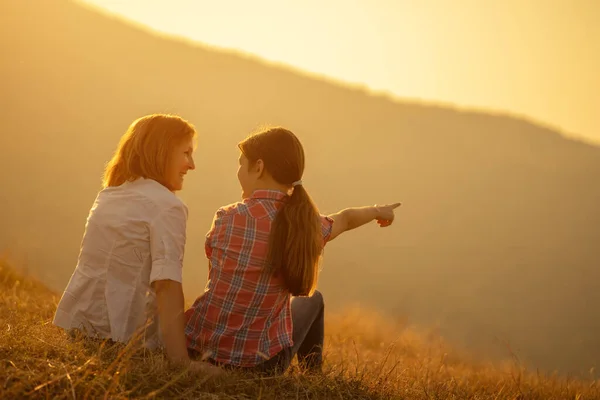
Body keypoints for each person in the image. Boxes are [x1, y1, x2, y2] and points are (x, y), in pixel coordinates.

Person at [185, 127, 400, 375]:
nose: (238, 172)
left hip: (199, 349)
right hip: (259, 367)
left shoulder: (226, 217)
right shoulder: (307, 227)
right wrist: (377, 210)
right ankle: (313, 375)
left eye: (241, 164)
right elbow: (347, 219)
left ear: (259, 167)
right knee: (313, 298)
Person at [53, 114, 202, 367]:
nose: (192, 165)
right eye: (186, 153)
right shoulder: (167, 206)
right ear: (162, 152)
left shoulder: (109, 195)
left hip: (79, 326)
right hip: (125, 338)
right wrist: (181, 361)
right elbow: (166, 285)